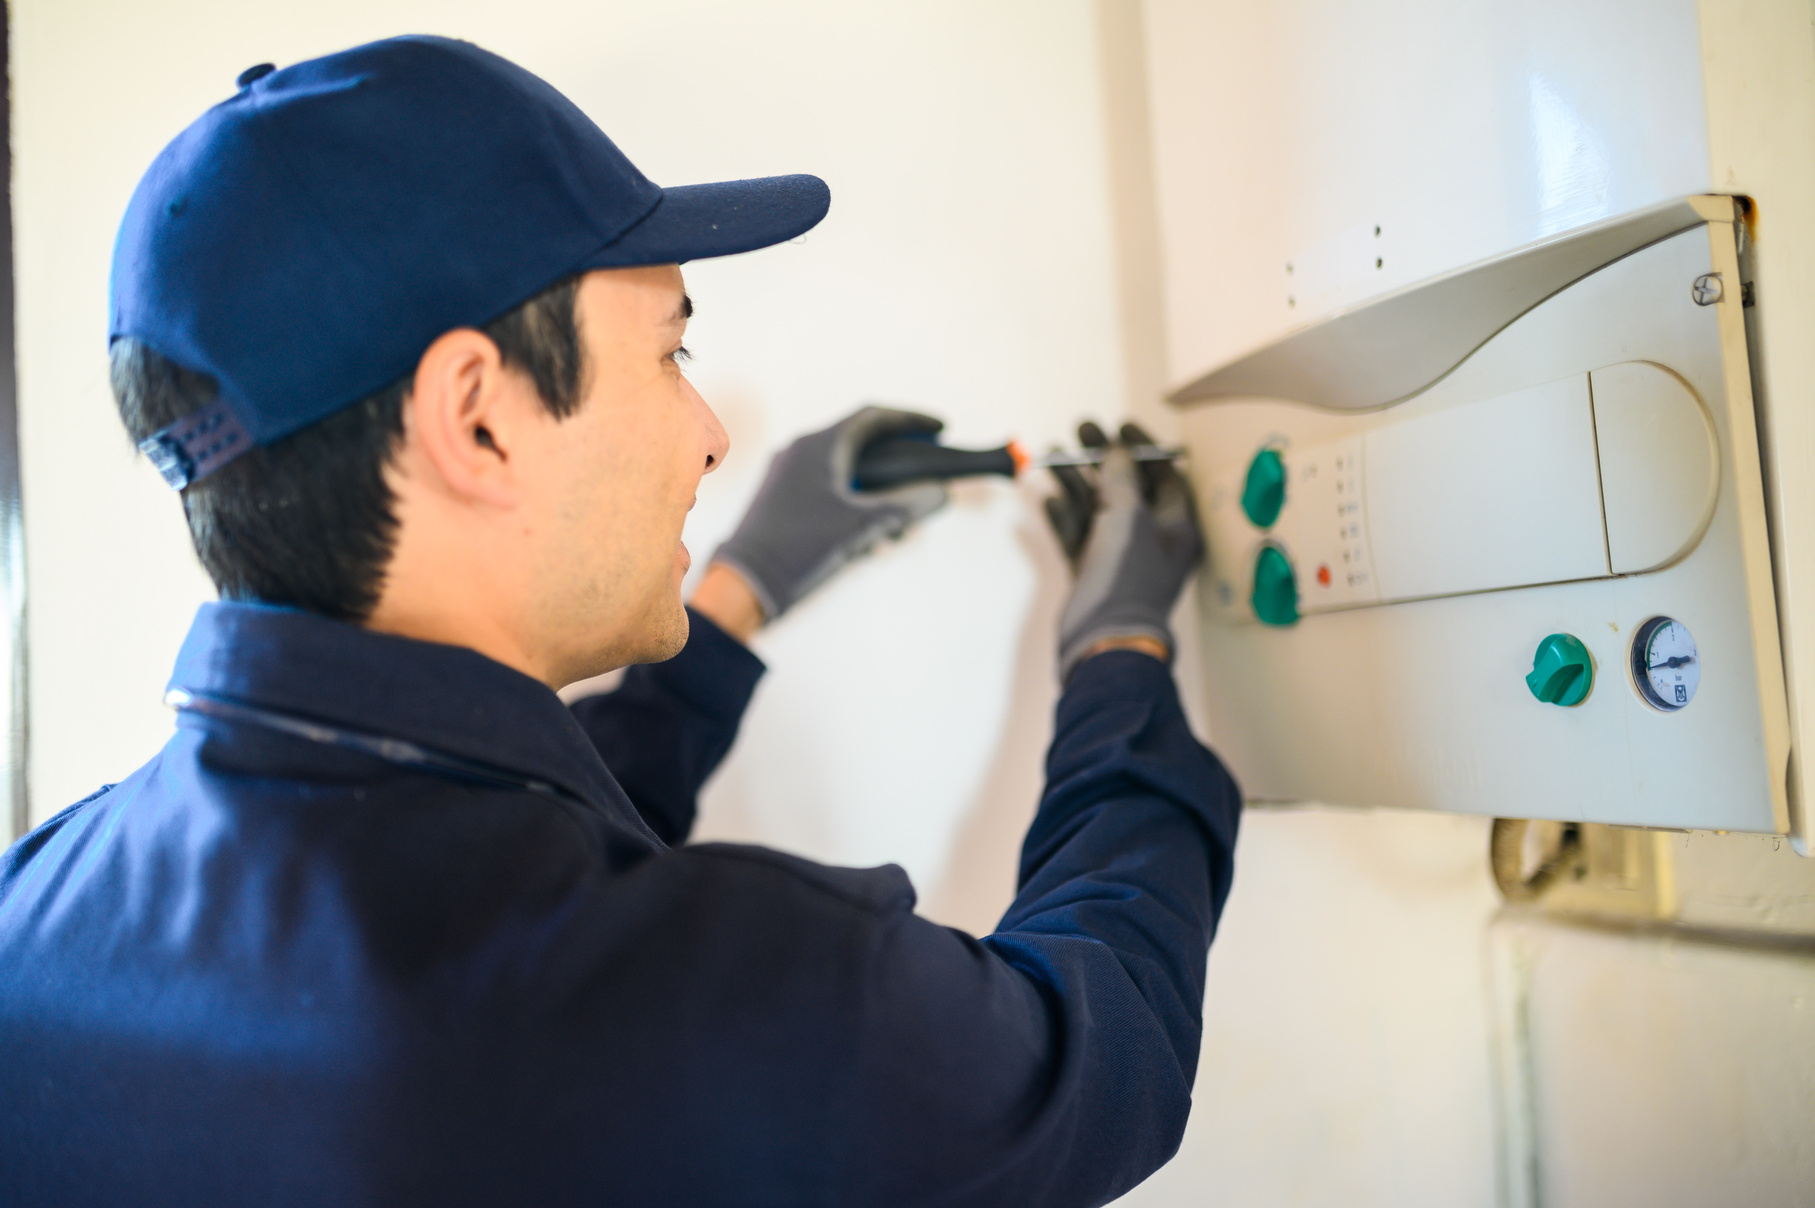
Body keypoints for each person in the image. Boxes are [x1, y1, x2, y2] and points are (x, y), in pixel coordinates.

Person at [0, 36, 1240, 1208]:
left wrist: (735, 596)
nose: (711, 434)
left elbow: (489, 846)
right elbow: (1102, 1044)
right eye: (667, 351)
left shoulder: (33, 920)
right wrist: (1120, 648)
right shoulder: (697, 998)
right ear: (477, 415)